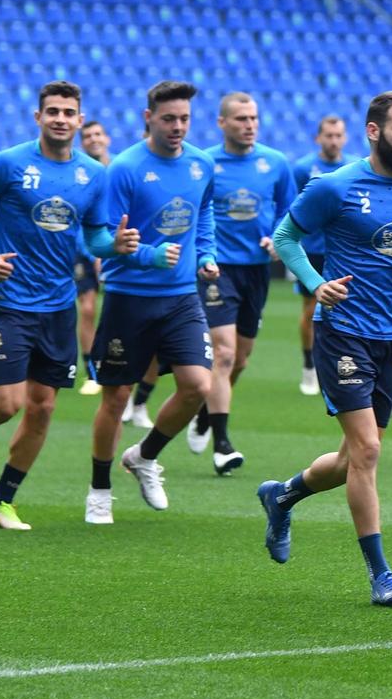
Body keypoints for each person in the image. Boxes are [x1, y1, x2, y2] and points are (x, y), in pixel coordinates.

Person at [255, 91, 392, 607]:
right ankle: (381, 574)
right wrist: (316, 283)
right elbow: (286, 236)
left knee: (350, 458)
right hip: (342, 330)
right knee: (368, 451)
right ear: (373, 131)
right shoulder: (335, 187)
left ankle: (283, 494)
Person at [0, 81, 129, 530]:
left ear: (79, 119)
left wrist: (118, 246)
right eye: (51, 110)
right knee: (6, 404)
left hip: (59, 306)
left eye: (68, 112)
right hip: (12, 300)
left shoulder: (94, 174)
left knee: (44, 408)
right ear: (38, 117)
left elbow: (93, 238)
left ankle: (1, 503)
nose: (59, 118)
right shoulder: (10, 163)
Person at [81, 80, 219, 525]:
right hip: (129, 297)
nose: (178, 127)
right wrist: (143, 253)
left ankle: (144, 456)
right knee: (116, 398)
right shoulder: (124, 168)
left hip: (181, 297)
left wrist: (207, 252)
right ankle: (99, 490)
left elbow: (204, 212)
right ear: (148, 118)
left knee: (199, 386)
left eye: (184, 119)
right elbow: (100, 239)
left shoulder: (201, 164)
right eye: (168, 119)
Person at [184, 92, 297, 475]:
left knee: (240, 359)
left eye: (254, 118)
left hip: (256, 271)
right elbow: (195, 214)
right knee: (225, 354)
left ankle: (205, 413)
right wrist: (202, 254)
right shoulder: (205, 164)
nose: (249, 125)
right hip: (218, 270)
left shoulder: (276, 163)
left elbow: (288, 213)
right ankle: (223, 445)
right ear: (222, 123)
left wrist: (278, 241)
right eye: (241, 119)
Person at [288, 114, 355, 396]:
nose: (334, 140)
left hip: (343, 252)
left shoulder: (353, 167)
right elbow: (293, 209)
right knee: (311, 310)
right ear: (318, 138)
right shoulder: (304, 168)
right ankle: (309, 366)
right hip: (313, 251)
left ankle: (341, 366)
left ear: (346, 138)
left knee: (346, 310)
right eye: (328, 135)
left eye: (338, 135)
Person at [75, 120, 112, 395]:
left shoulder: (119, 170)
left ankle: (116, 367)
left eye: (98, 134)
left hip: (119, 251)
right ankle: (91, 372)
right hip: (86, 252)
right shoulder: (78, 174)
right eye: (87, 136)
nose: (93, 139)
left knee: (117, 312)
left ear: (107, 139)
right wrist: (94, 252)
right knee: (87, 309)